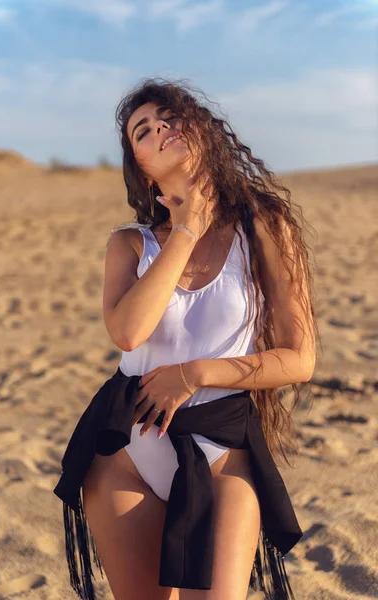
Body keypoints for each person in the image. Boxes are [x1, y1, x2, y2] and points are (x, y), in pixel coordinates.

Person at [79, 77, 318, 600]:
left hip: (221, 449)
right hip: (127, 455)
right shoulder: (129, 245)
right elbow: (127, 332)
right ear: (143, 173)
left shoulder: (264, 229)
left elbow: (300, 359)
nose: (160, 127)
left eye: (169, 116)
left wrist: (195, 374)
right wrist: (185, 227)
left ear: (203, 132)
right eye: (142, 130)